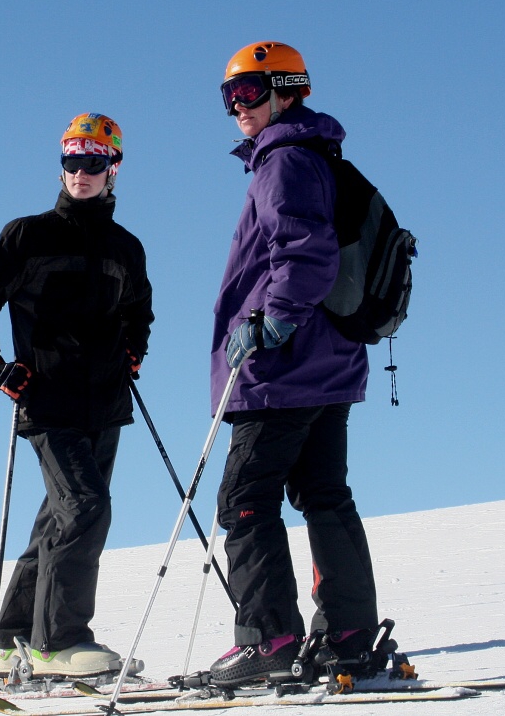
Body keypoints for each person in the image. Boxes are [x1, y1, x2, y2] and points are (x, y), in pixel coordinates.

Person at [0, 113, 153, 678]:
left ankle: (13, 636)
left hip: (106, 405)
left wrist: (133, 352)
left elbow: (139, 309)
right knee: (86, 507)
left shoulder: (126, 248)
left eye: (93, 161)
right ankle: (57, 642)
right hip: (46, 401)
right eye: (71, 159)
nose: (80, 171)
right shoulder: (28, 234)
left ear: (113, 168)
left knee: (59, 521)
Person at [206, 42, 381, 686]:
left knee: (245, 499)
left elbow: (305, 253)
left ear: (286, 91)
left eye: (249, 93)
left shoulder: (282, 161)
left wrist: (270, 320)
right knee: (325, 496)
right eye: (229, 98)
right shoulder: (322, 159)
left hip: (284, 368)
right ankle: (349, 634)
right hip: (330, 365)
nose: (238, 109)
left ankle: (268, 641)